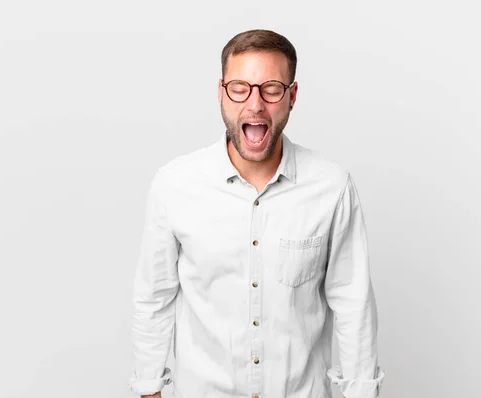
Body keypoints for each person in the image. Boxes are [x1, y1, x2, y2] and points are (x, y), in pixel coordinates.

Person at [128, 29, 385, 398]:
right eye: (240, 88)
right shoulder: (174, 185)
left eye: (271, 88)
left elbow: (353, 303)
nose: (254, 104)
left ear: (292, 96)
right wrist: (149, 389)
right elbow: (153, 298)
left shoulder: (332, 188)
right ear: (220, 92)